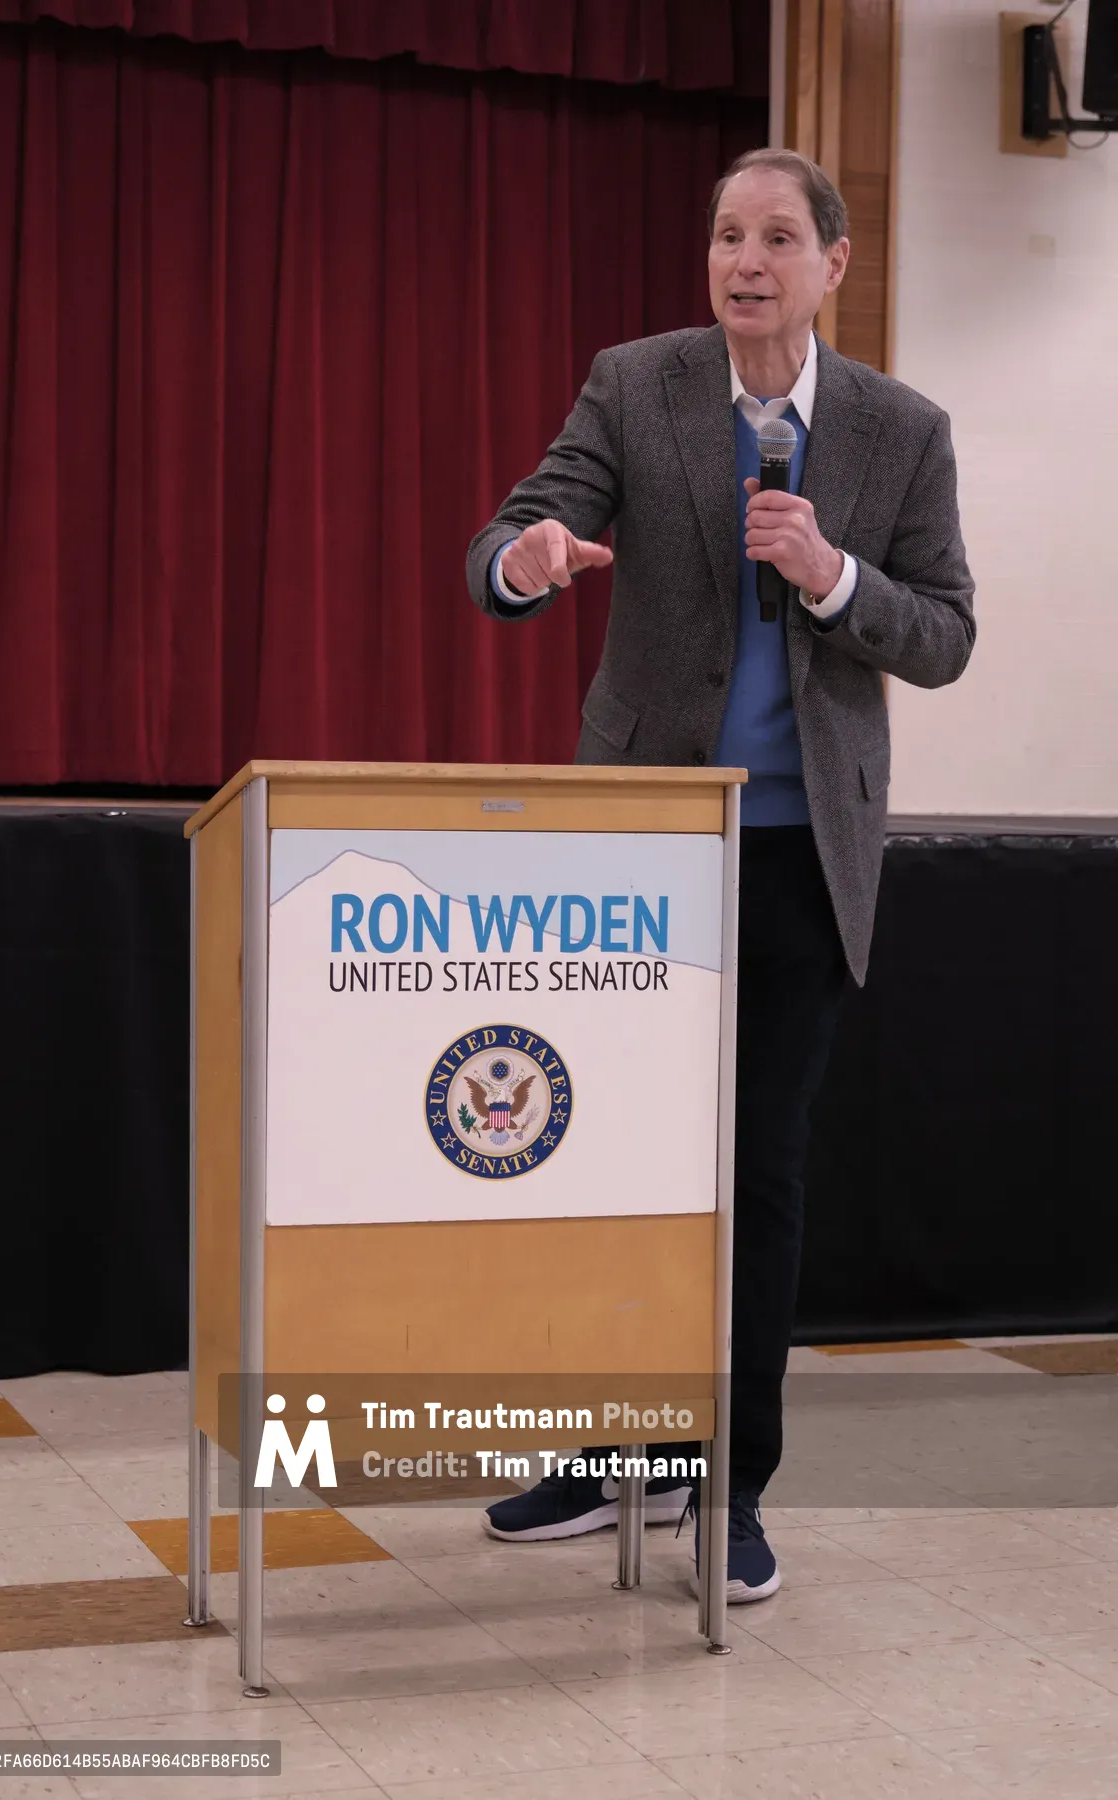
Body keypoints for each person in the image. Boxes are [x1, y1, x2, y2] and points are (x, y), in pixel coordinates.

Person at [464, 148, 975, 1602]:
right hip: (641, 852)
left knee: (755, 1173)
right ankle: (616, 1448)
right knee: (608, 1169)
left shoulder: (900, 430)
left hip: (804, 858)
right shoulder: (638, 383)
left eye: (773, 239)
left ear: (833, 263)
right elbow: (503, 540)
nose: (742, 261)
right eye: (723, 237)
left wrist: (831, 577)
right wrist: (532, 558)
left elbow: (943, 634)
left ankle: (728, 1483)